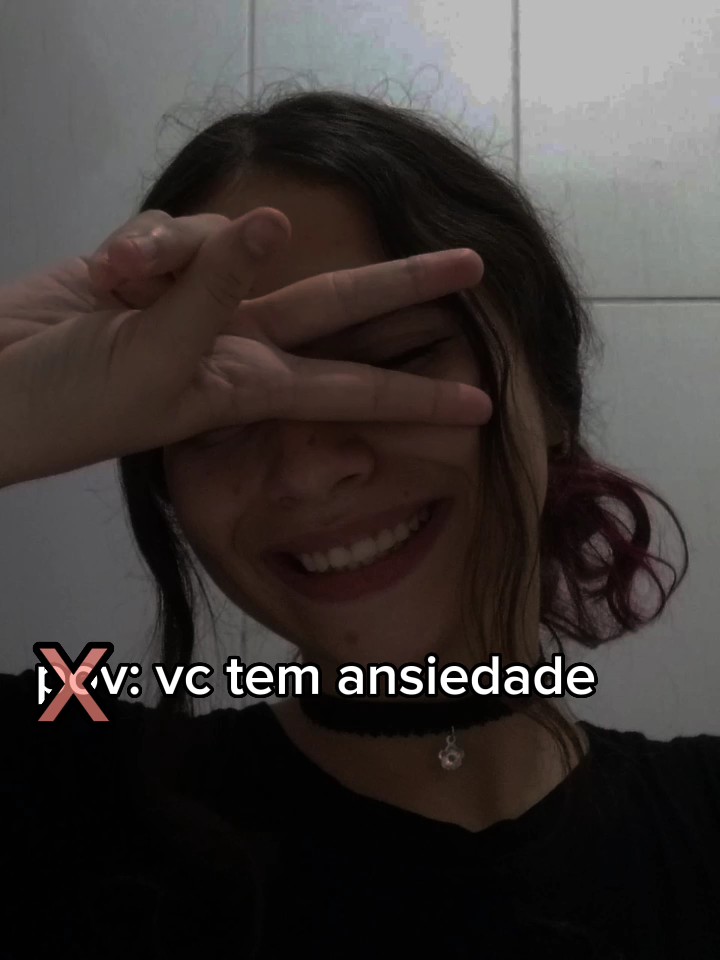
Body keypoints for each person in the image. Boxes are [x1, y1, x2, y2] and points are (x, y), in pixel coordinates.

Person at [1, 87, 718, 960]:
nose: (306, 470)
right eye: (213, 416)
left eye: (395, 357)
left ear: (551, 396)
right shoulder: (67, 803)